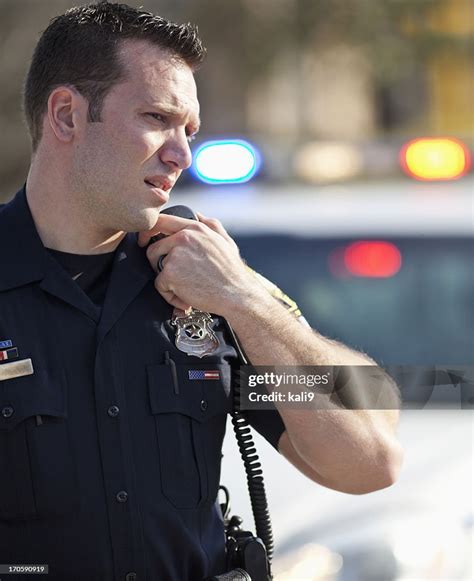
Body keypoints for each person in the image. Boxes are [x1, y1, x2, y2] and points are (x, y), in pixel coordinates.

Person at [0, 2, 403, 579]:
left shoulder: (210, 284)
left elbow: (369, 460)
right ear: (66, 115)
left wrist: (246, 300)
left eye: (188, 131)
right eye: (157, 118)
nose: (180, 154)